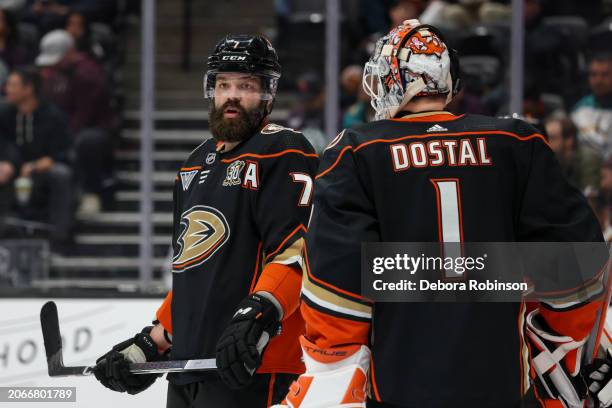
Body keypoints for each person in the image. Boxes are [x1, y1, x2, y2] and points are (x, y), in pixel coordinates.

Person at [274, 20, 608, 408]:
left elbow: (336, 289)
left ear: (399, 81)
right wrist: (553, 343)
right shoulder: (516, 142)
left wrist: (335, 372)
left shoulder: (357, 151)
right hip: (499, 382)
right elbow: (580, 265)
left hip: (401, 385)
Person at [92, 34, 319, 407]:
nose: (231, 95)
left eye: (245, 85)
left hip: (253, 365)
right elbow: (197, 272)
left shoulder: (283, 149)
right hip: (189, 366)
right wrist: (154, 341)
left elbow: (298, 252)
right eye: (223, 84)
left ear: (267, 94)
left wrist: (259, 316)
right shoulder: (194, 164)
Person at [36, 29, 115, 212]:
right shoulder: (57, 73)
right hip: (62, 126)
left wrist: (62, 139)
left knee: (85, 142)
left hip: (92, 130)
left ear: (70, 52)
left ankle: (90, 192)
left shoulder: (87, 75)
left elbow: (83, 116)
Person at [0, 66, 73, 247]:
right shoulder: (4, 115)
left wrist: (41, 163)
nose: (6, 89)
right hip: (8, 171)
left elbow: (62, 150)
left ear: (28, 88)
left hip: (40, 172)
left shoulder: (53, 116)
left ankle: (59, 238)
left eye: (13, 85)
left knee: (61, 174)